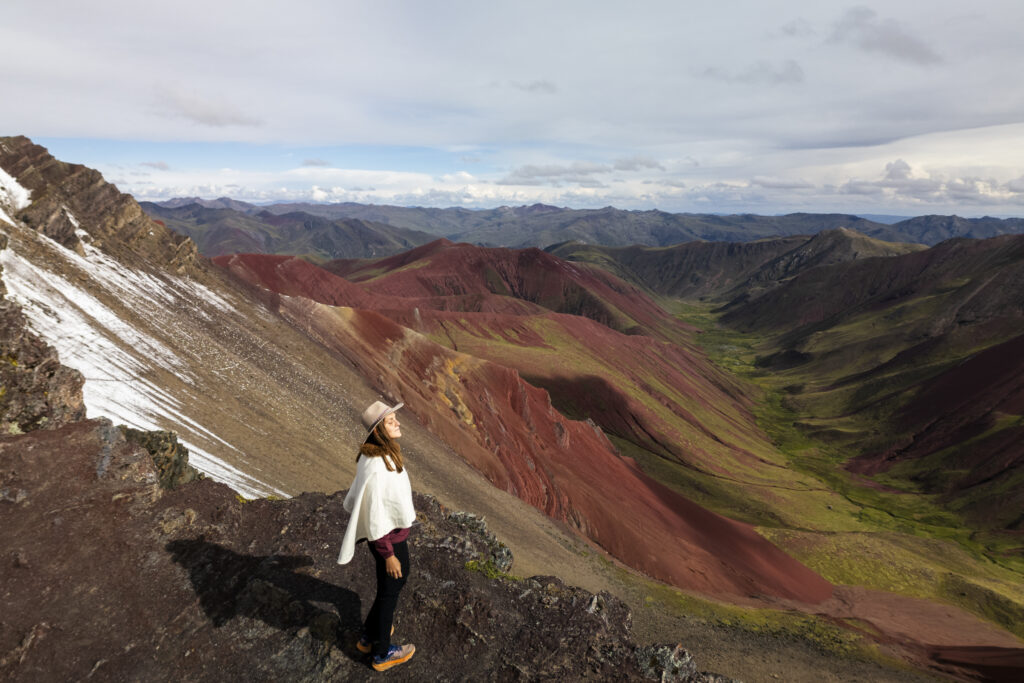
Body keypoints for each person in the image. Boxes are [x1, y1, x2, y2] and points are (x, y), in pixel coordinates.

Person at [337, 400, 417, 672]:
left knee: (387, 591)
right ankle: (382, 654)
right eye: (390, 421)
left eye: (395, 419)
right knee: (390, 592)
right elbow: (375, 515)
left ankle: (369, 637)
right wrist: (389, 555)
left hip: (389, 539)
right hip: (389, 543)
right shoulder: (377, 465)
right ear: (378, 430)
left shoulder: (377, 455)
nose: (397, 424)